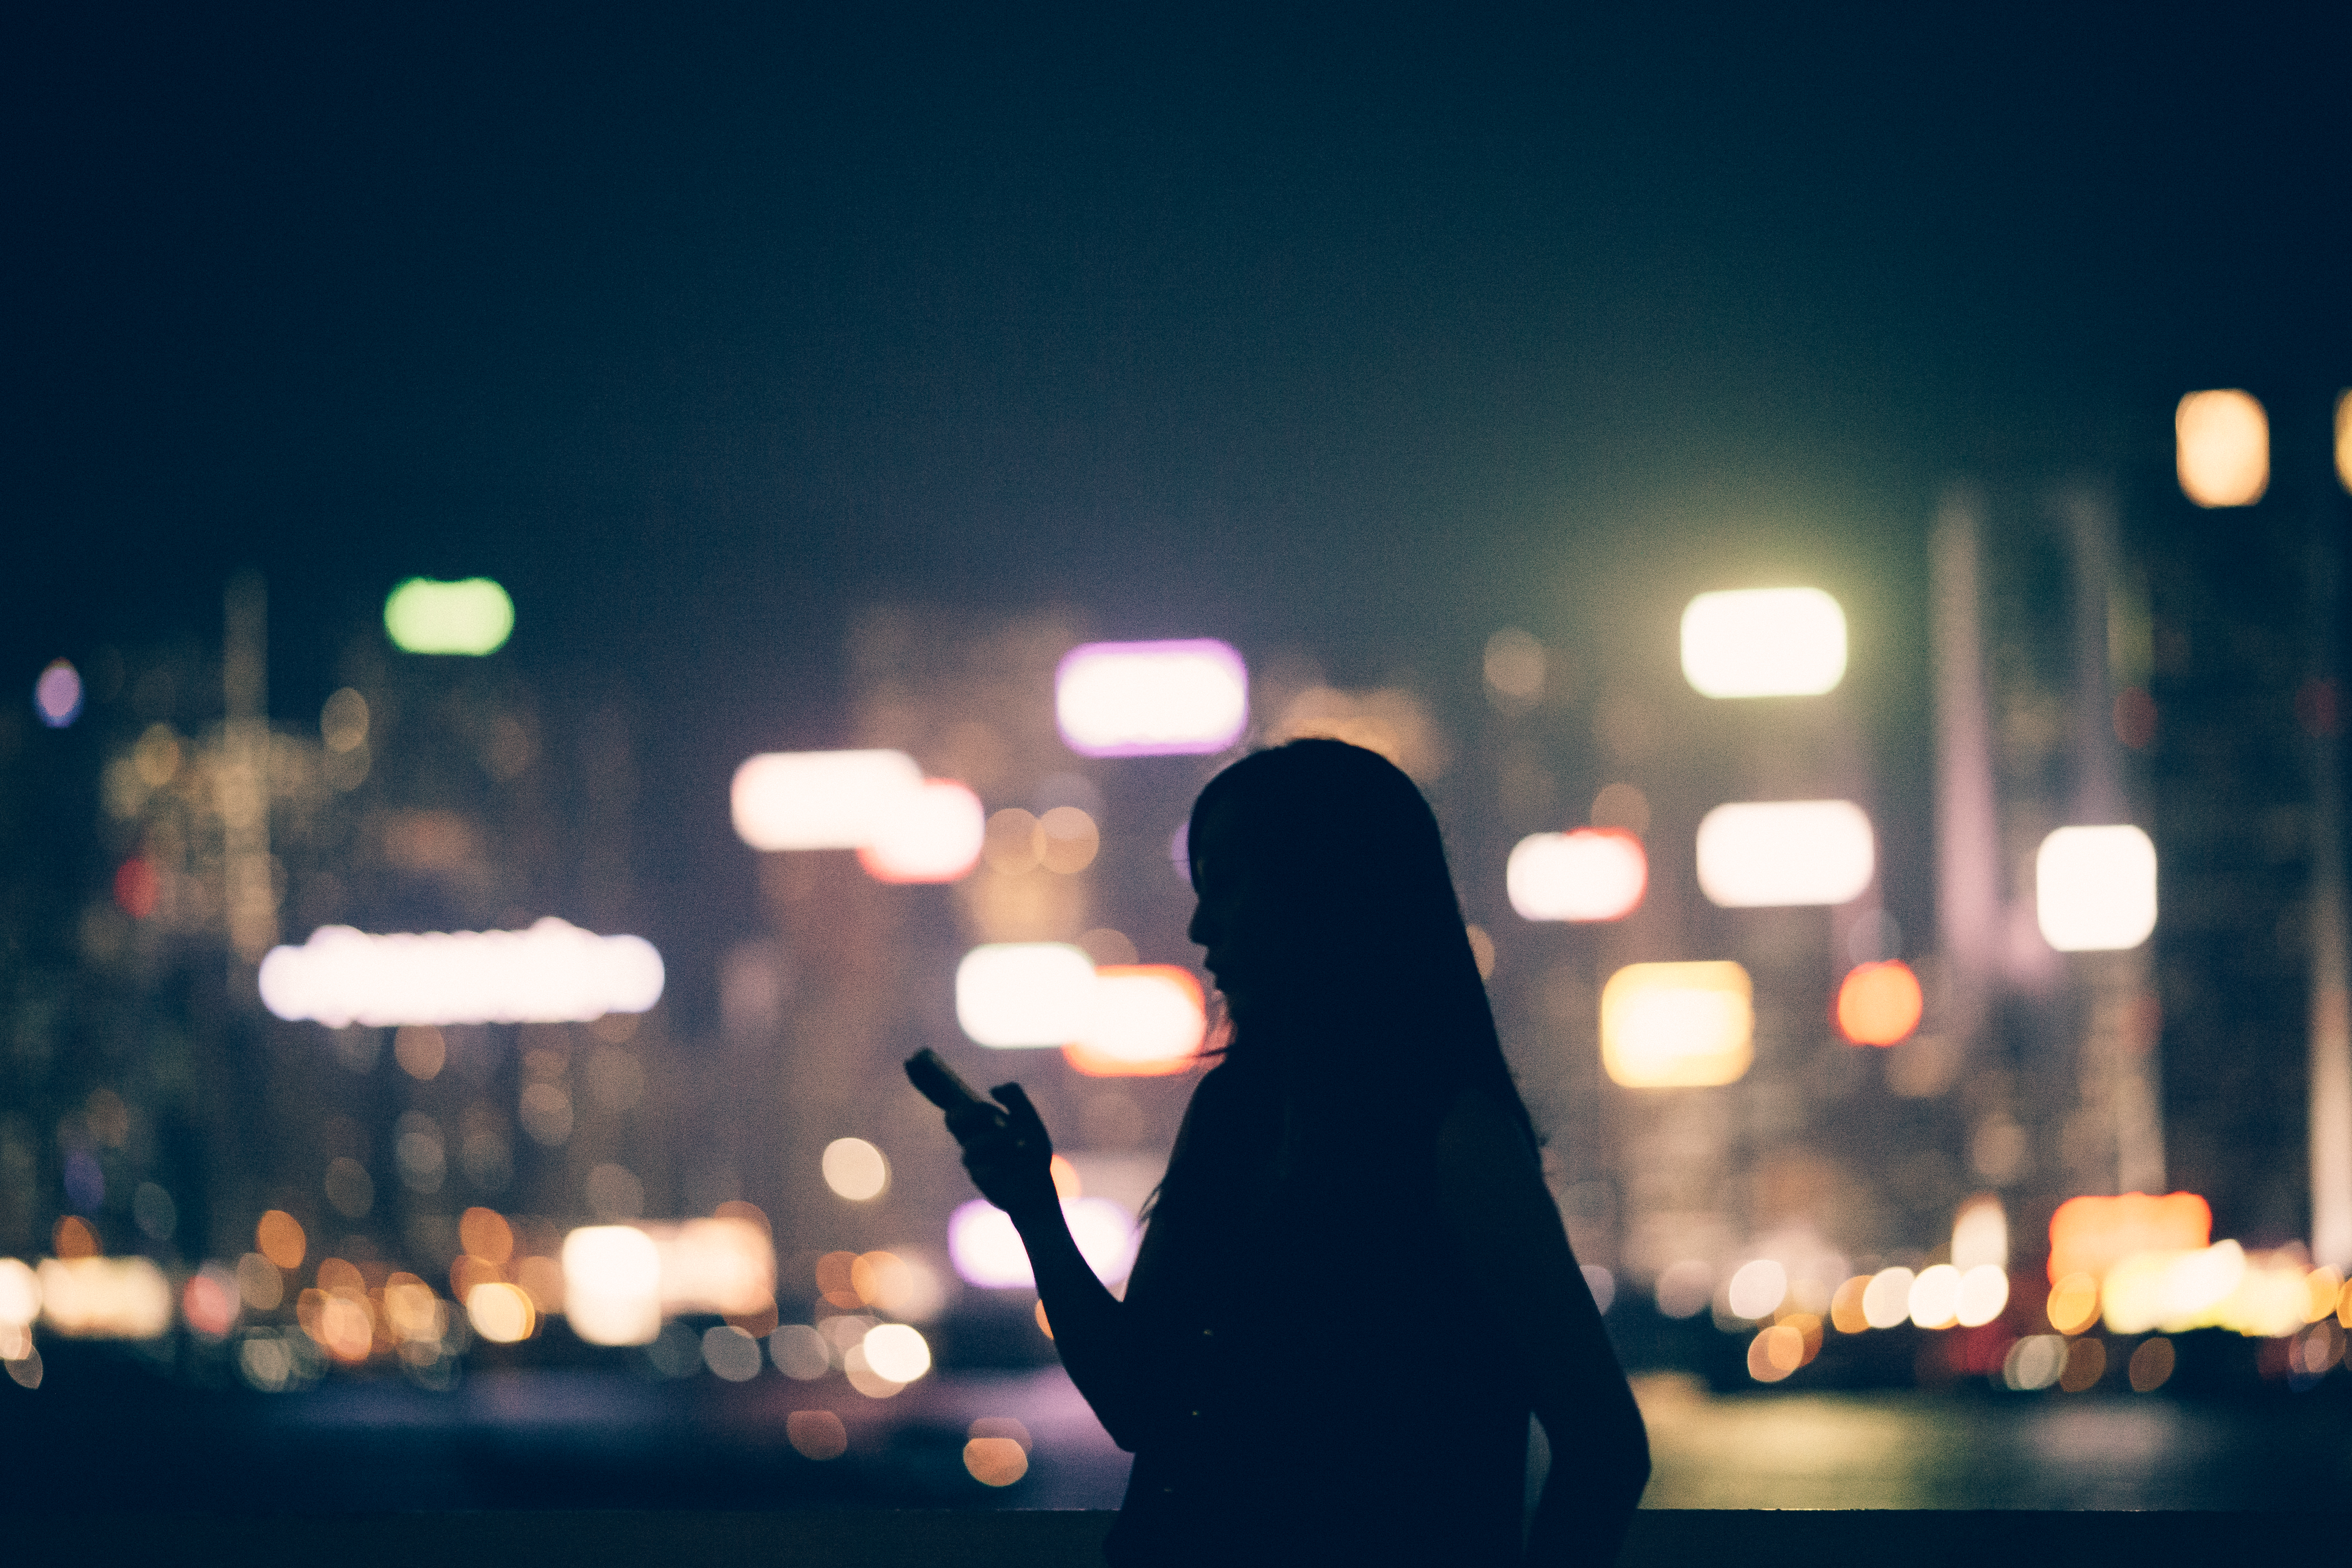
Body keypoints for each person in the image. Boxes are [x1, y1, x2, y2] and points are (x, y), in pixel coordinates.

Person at [936, 739, 1648, 1565]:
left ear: (1324, 891)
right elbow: (1140, 1400)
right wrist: (1034, 1211)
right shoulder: (1239, 1109)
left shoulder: (1450, 1133)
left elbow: (1602, 1444)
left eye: (1229, 883)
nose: (1202, 923)